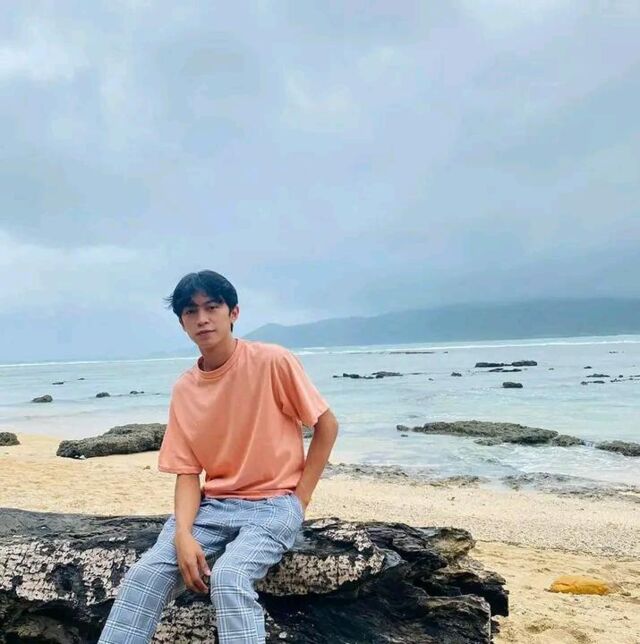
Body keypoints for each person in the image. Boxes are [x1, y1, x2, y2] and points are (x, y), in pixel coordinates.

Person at [99, 270, 339, 644]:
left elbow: (326, 425)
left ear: (233, 313)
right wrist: (182, 534)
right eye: (191, 311)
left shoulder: (272, 361)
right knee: (145, 576)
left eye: (212, 307)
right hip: (213, 508)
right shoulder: (185, 389)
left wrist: (300, 498)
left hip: (274, 504)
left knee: (229, 577)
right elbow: (187, 472)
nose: (203, 319)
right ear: (182, 323)